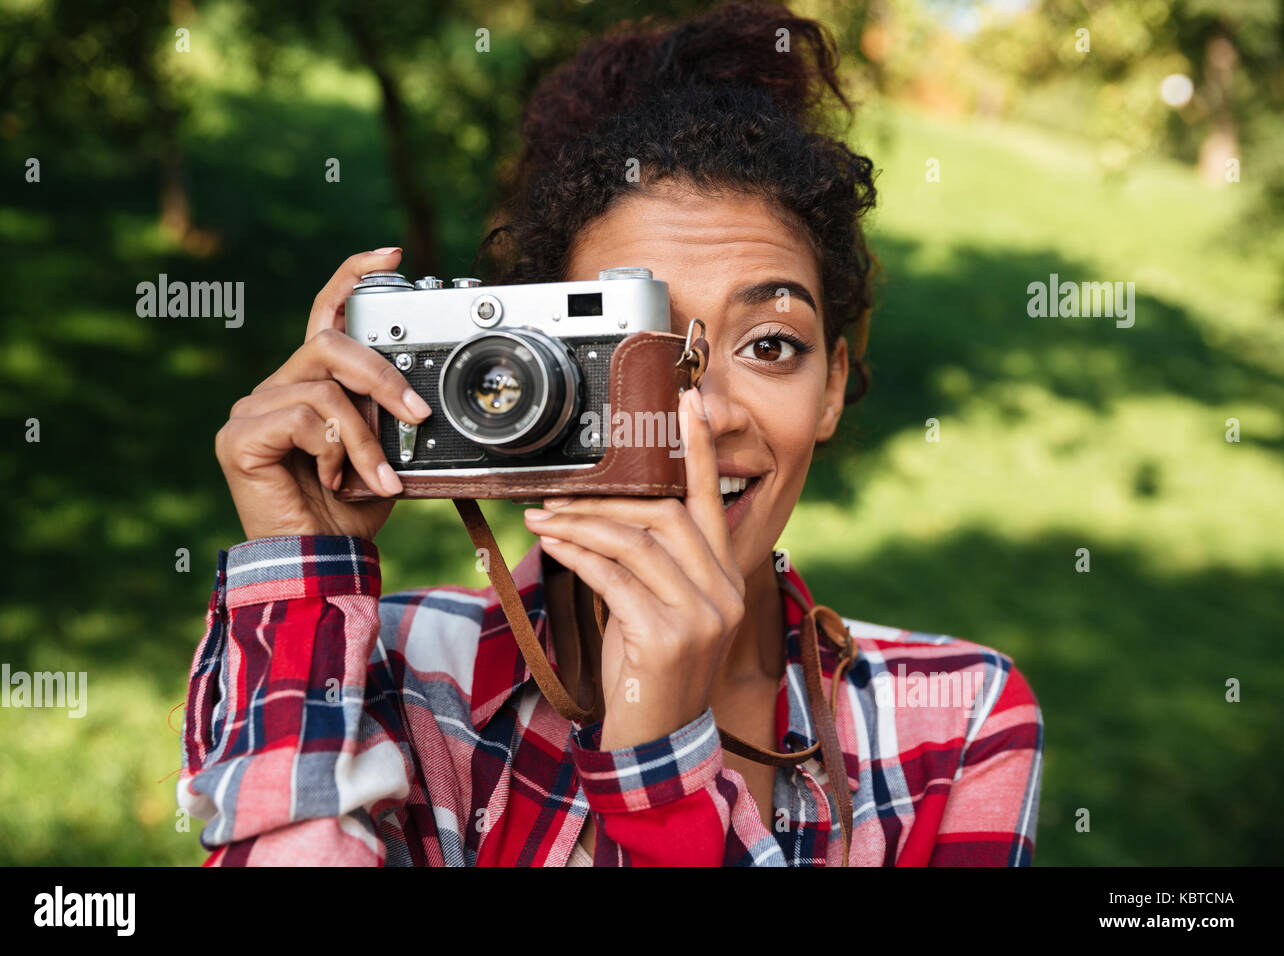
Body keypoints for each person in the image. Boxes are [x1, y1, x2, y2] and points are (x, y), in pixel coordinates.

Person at [179, 1, 1043, 866]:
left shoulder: (954, 720)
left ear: (833, 387)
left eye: (771, 345)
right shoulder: (387, 676)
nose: (705, 415)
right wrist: (304, 583)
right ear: (515, 370)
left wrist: (660, 776)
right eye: (635, 351)